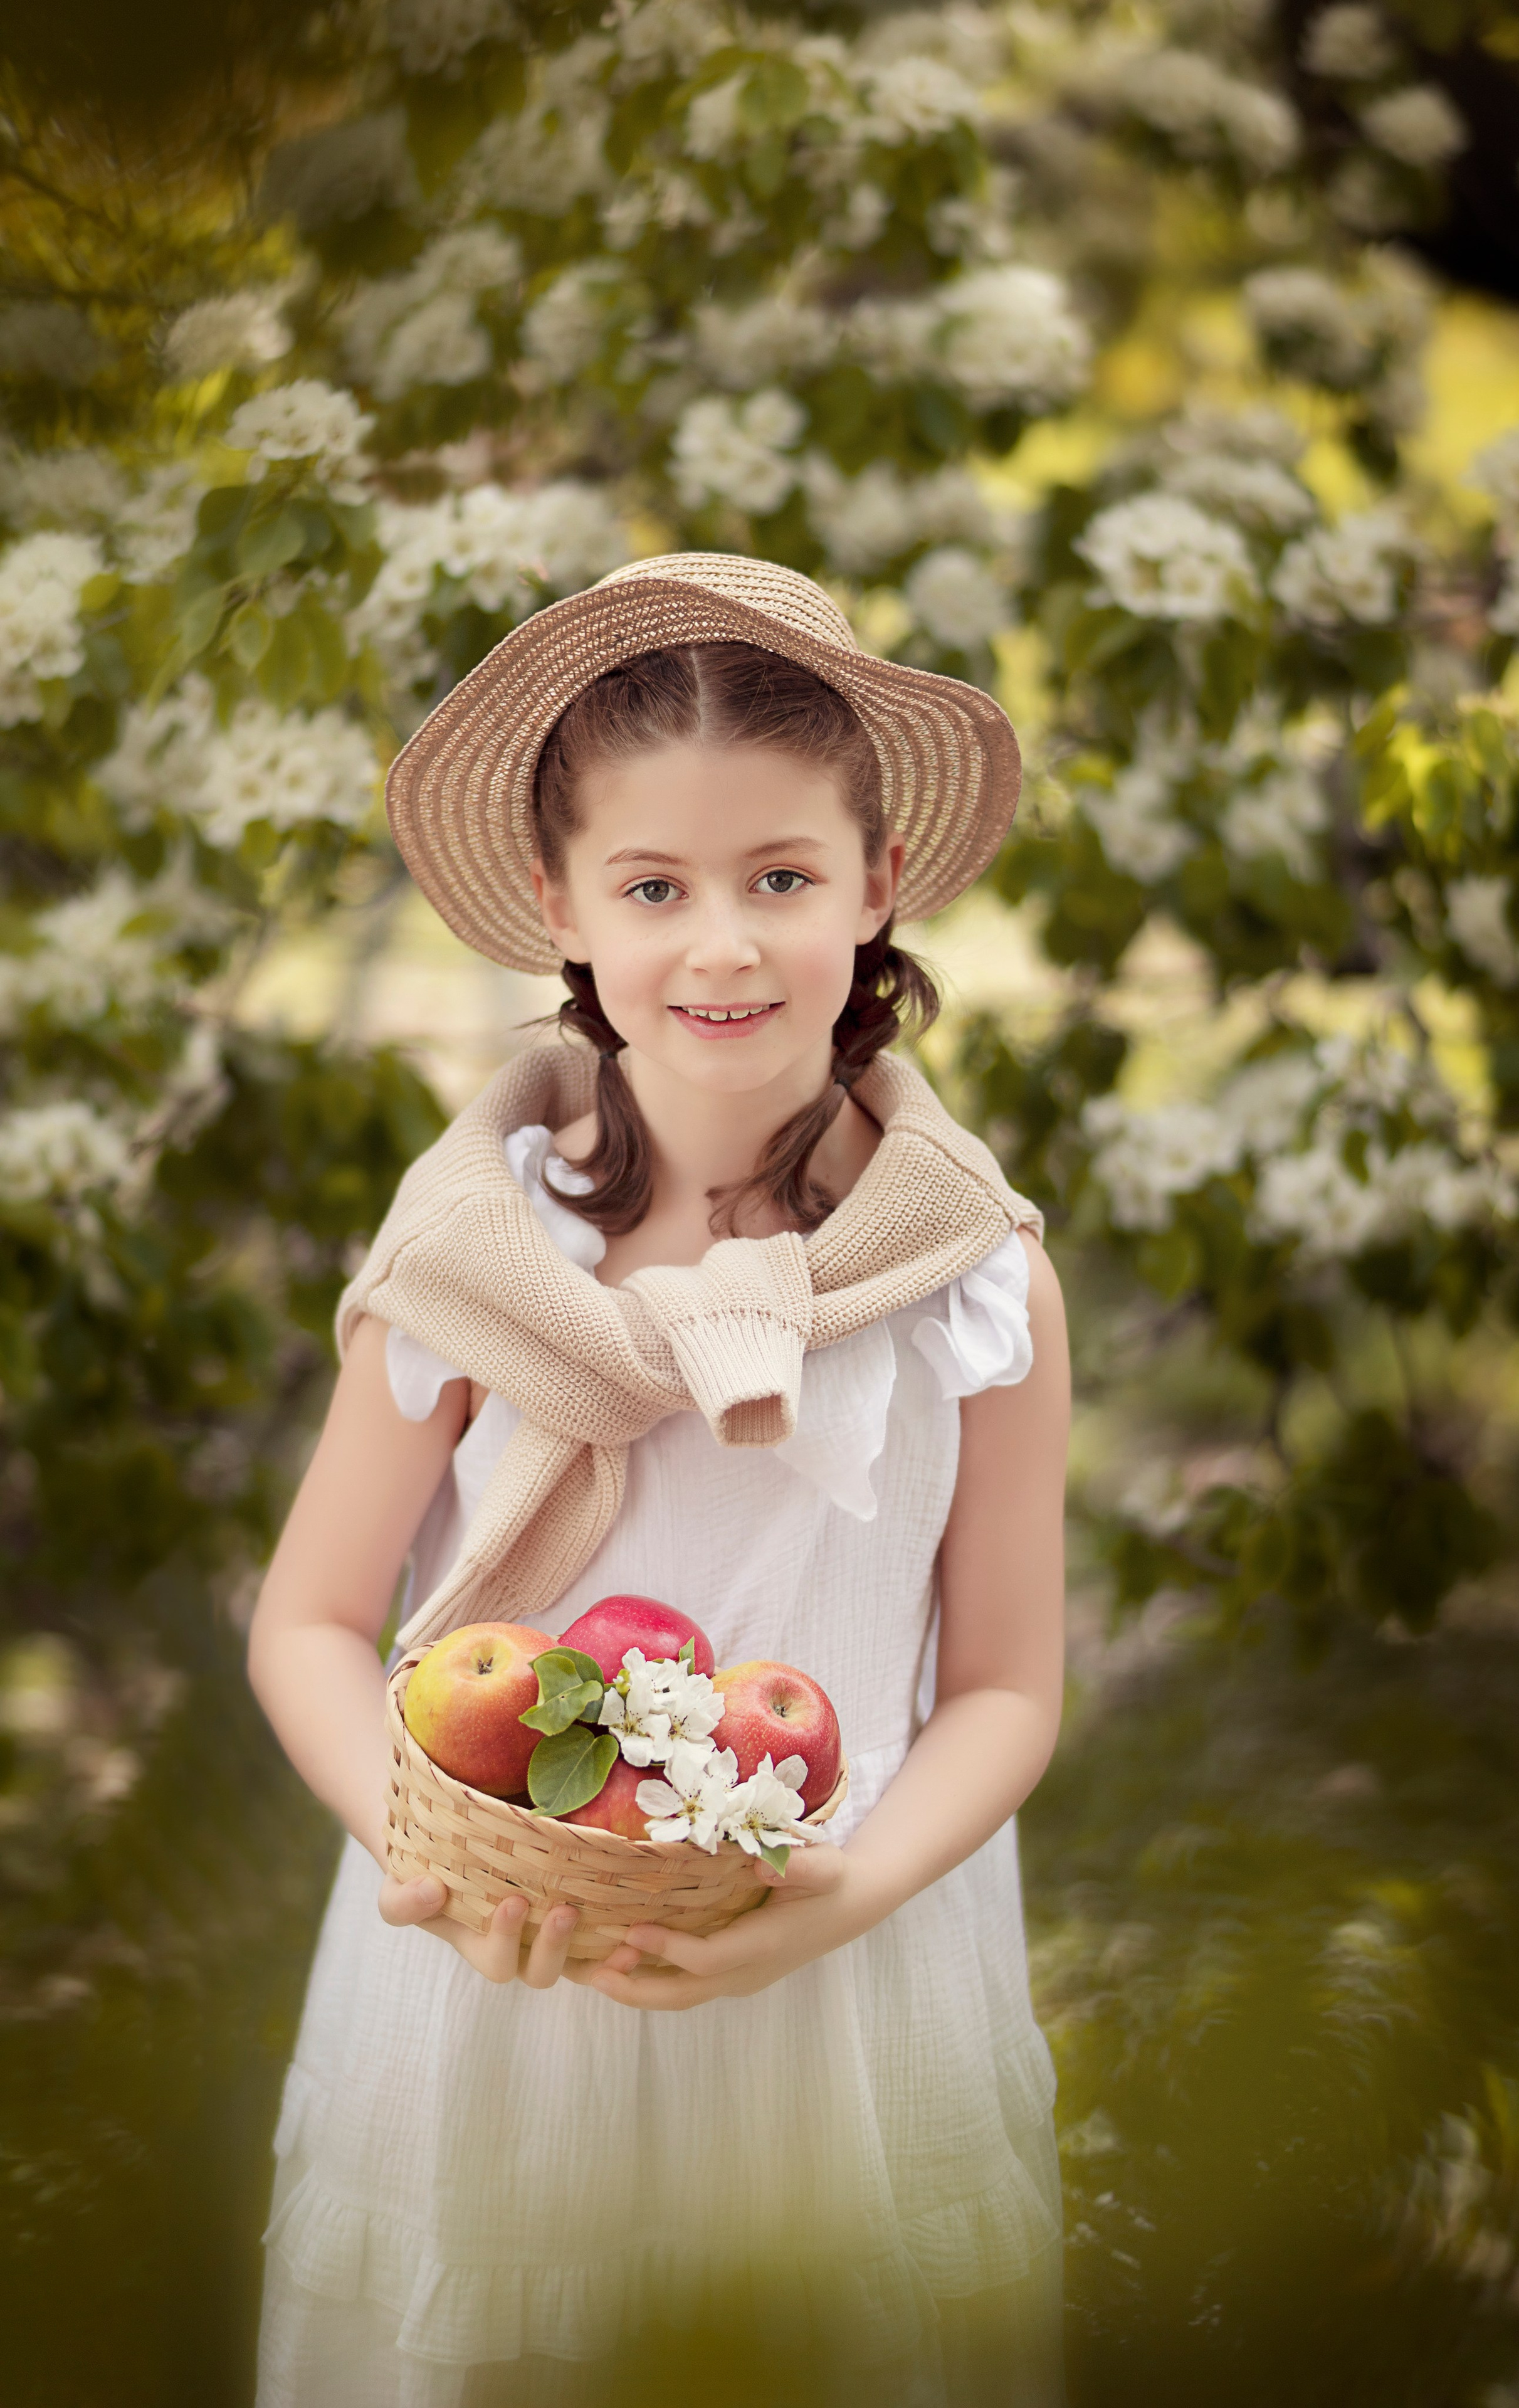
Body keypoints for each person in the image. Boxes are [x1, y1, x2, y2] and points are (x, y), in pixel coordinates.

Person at [248, 553, 1071, 2407]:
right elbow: (308, 1618)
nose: (723, 946)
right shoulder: (481, 1254)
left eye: (782, 878)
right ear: (560, 904)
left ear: (878, 887)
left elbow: (1011, 1685)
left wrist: (847, 1896)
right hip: (491, 1978)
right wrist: (439, 1861)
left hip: (849, 1969)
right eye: (655, 887)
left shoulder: (974, 1283)